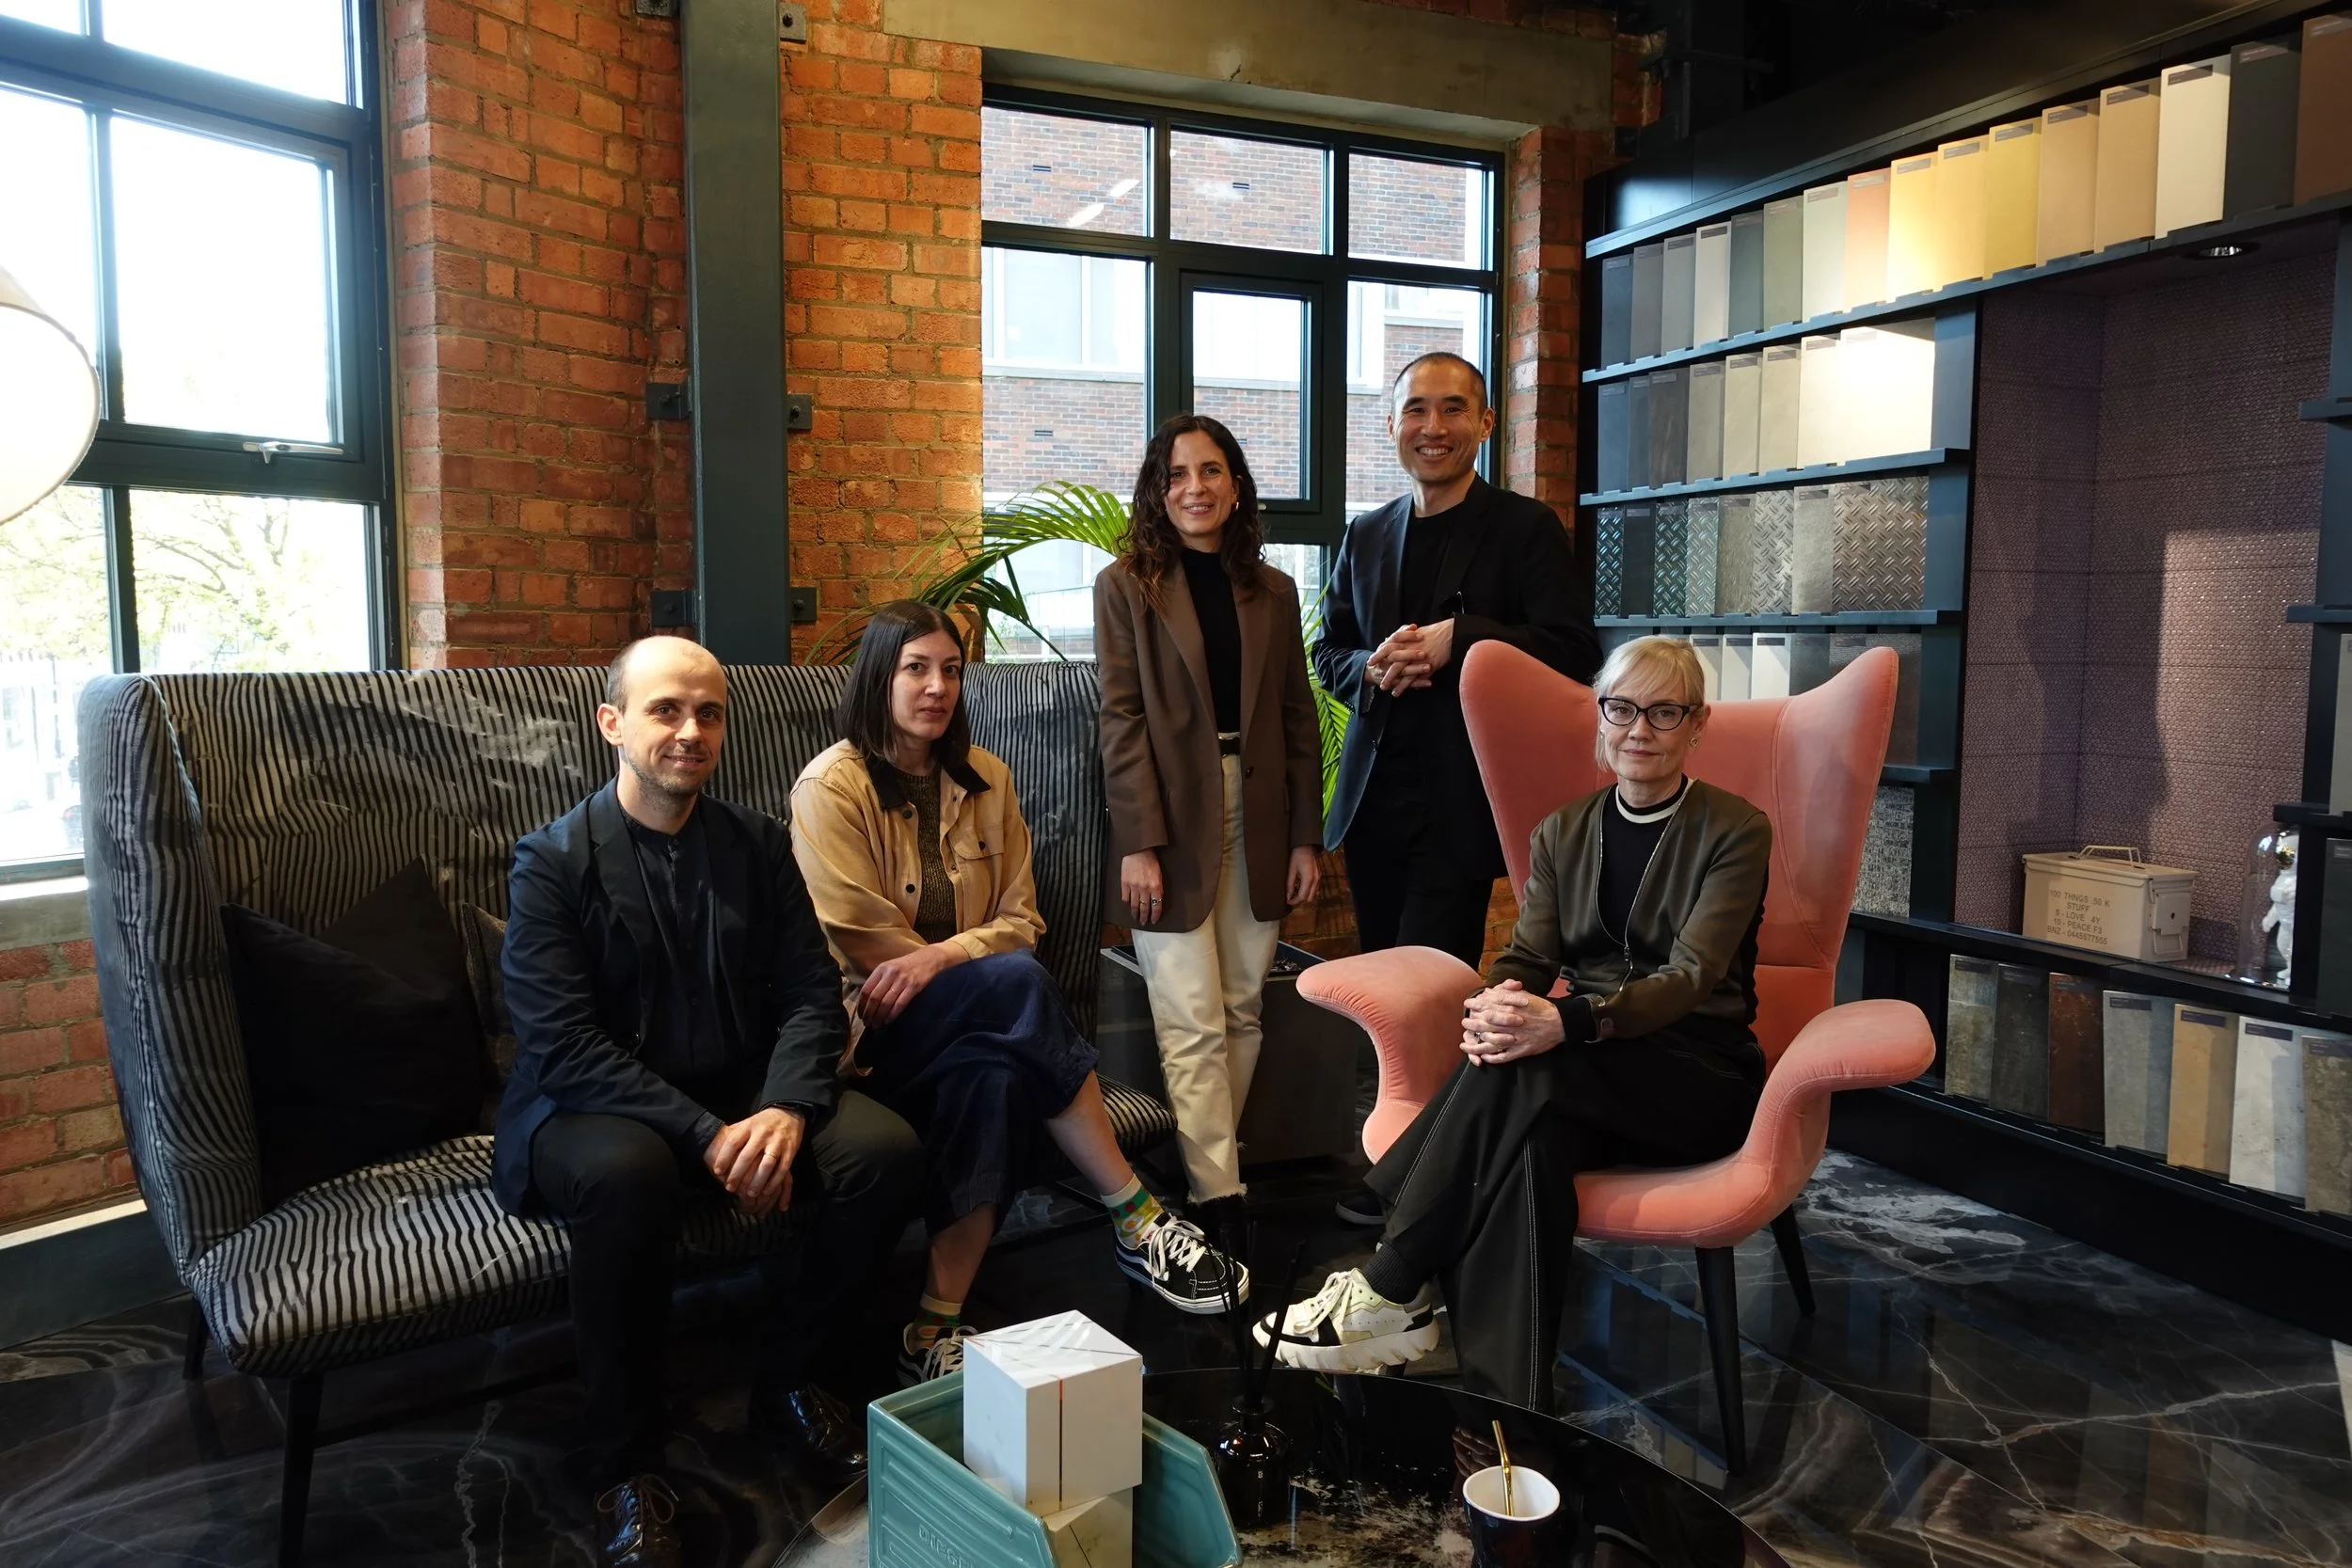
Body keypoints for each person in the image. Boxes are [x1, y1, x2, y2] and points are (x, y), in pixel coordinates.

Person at [495, 636, 923, 1568]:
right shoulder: (551, 862)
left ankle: (790, 1377)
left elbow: (812, 996)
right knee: (626, 1172)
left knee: (881, 1148)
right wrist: (708, 1133)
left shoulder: (759, 845)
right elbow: (562, 1043)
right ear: (612, 723)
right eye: (664, 710)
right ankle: (625, 1466)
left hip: (740, 1093)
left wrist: (784, 1109)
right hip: (590, 1109)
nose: (689, 730)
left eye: (708, 712)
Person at [1257, 637, 1770, 1411]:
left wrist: (1562, 1021)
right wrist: (1501, 1003)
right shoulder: (1564, 831)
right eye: (1622, 708)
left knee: (1533, 1062)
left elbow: (1691, 978)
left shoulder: (1735, 830)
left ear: (1696, 725)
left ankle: (1391, 1270)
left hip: (1695, 1072)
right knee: (1533, 1135)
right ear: (1601, 718)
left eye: (1664, 712)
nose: (1640, 729)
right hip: (1581, 1074)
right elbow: (1528, 956)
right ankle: (1510, 1409)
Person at [789, 600, 1249, 1386]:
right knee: (1011, 983)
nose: (937, 686)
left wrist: (942, 962)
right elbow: (859, 935)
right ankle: (1138, 1216)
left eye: (951, 669)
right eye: (915, 668)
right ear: (878, 678)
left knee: (995, 1079)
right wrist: (961, 963)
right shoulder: (831, 787)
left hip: (970, 1025)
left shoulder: (987, 779)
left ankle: (930, 1327)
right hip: (875, 1032)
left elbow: (1022, 919)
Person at [1312, 349, 1601, 1227]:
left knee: (1438, 988)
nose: (1431, 427)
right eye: (1414, 411)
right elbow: (1329, 652)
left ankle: (1416, 1182)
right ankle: (1404, 1154)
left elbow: (1573, 650)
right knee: (1383, 992)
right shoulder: (1366, 533)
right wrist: (1373, 668)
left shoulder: (1523, 528)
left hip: (1464, 802)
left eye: (1451, 410)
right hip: (1374, 801)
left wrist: (1458, 641)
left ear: (1482, 423)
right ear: (1391, 423)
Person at [1094, 415, 1325, 1231]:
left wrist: (1306, 835)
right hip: (1169, 816)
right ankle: (1217, 1193)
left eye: (1212, 471)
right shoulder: (1126, 585)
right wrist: (1139, 844)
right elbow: (1121, 721)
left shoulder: (1274, 589)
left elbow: (1299, 718)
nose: (1196, 487)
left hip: (1258, 808)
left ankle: (1214, 1170)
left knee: (1241, 1007)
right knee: (1188, 1010)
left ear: (1235, 486)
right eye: (1178, 473)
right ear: (1160, 490)